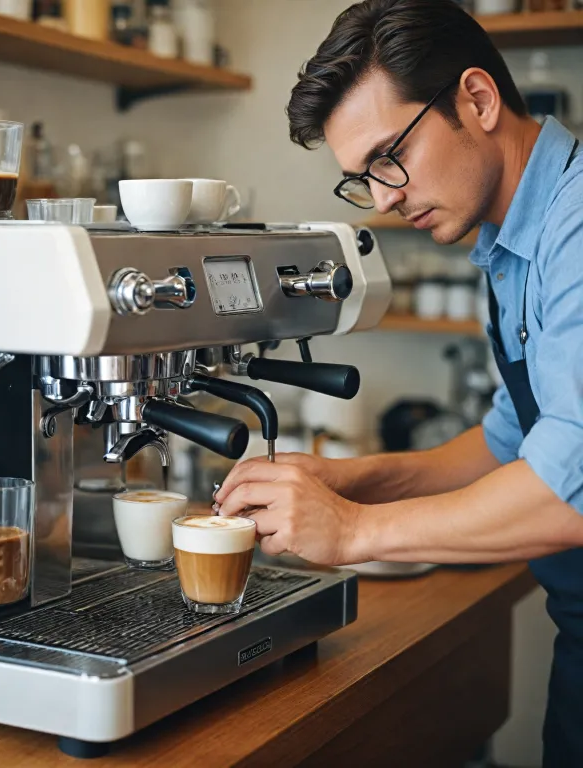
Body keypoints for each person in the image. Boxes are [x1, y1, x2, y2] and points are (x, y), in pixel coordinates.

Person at [213, 0, 583, 764]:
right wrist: (353, 481)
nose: (382, 197)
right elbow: (511, 444)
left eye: (390, 156)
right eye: (361, 178)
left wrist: (352, 532)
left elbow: (566, 489)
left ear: (477, 100)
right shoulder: (511, 241)